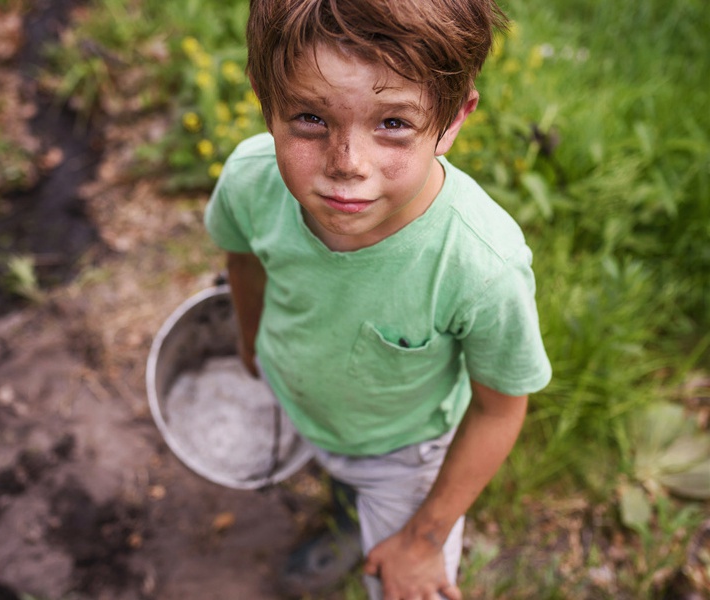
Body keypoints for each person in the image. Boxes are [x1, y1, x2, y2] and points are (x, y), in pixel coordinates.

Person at [203, 0, 552, 598]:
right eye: (311, 118)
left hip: (407, 459)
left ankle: (387, 530)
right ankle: (346, 516)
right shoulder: (249, 181)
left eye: (392, 123)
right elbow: (244, 262)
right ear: (267, 103)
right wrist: (250, 339)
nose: (347, 166)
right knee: (336, 471)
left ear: (452, 118)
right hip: (306, 404)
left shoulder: (480, 265)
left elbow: (499, 408)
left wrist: (422, 540)